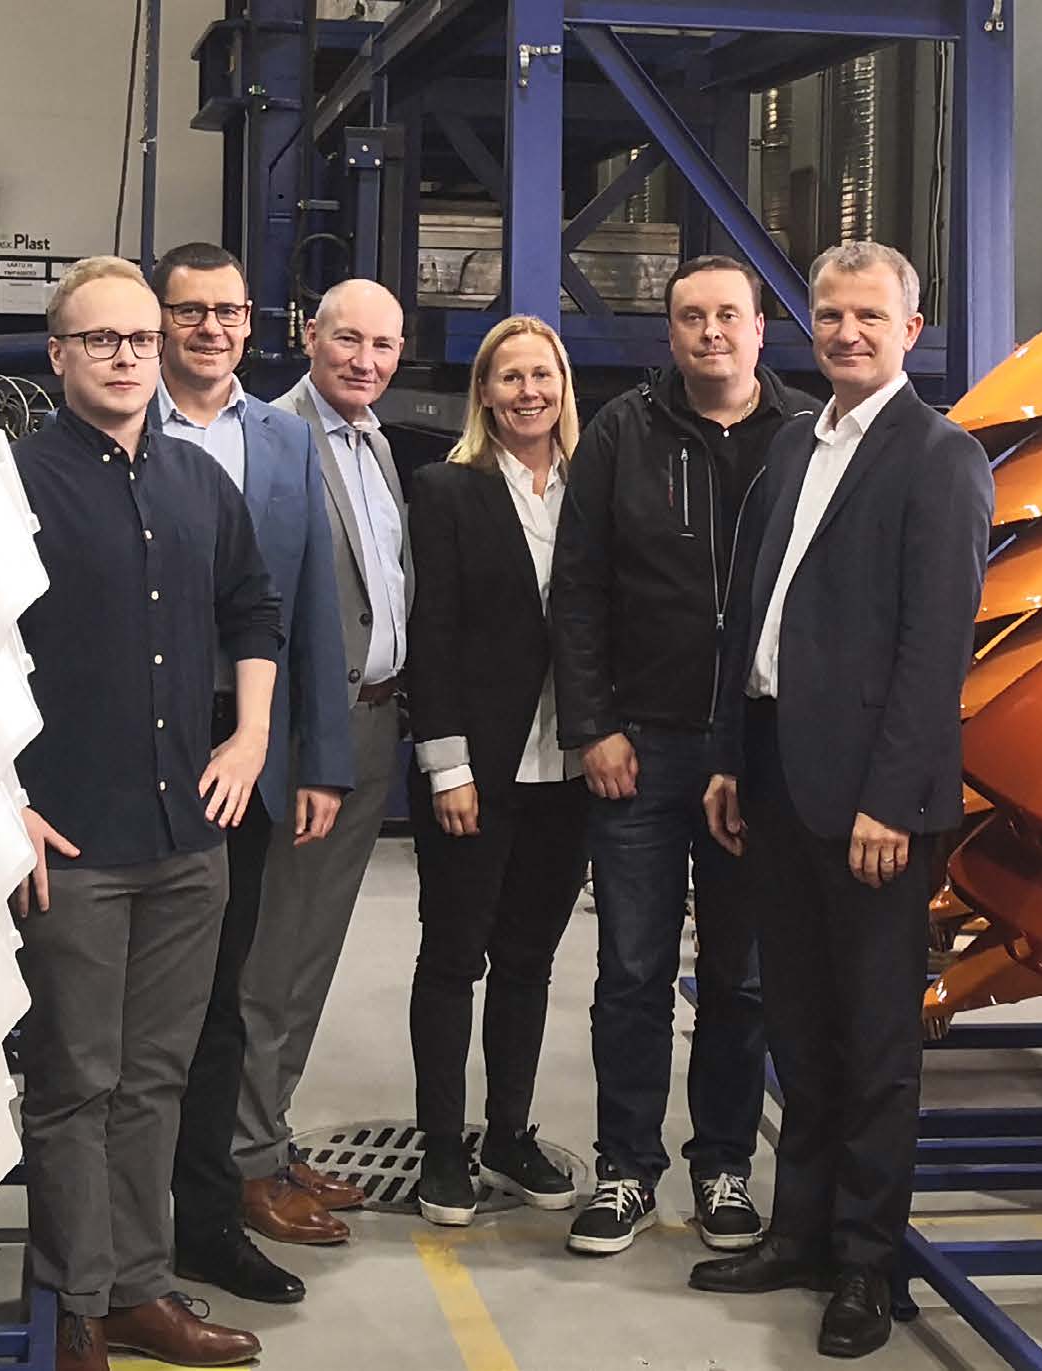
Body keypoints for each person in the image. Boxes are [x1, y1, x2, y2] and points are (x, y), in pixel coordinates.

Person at [690, 242, 992, 1360]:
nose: (846, 332)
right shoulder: (791, 445)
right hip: (775, 774)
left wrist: (892, 801)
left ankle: (866, 1261)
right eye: (828, 314)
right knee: (800, 1025)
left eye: (869, 315)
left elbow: (934, 648)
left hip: (871, 799)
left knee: (873, 1041)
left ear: (911, 330)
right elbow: (750, 617)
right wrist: (729, 755)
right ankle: (799, 1233)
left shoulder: (941, 457)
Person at [10, 255, 275, 1370]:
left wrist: (249, 738)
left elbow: (253, 609)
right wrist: (4, 799)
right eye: (100, 339)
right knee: (77, 1080)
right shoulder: (11, 483)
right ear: (59, 355)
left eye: (138, 339)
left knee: (156, 1077)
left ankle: (138, 1289)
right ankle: (74, 1305)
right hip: (70, 838)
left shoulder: (198, 482)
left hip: (185, 839)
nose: (124, 357)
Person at [552, 256, 811, 1257]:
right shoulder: (622, 434)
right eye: (691, 316)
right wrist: (594, 727)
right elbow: (578, 590)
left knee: (739, 978)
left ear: (758, 329)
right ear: (669, 334)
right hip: (642, 746)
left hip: (755, 748)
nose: (711, 332)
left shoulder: (804, 437)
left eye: (728, 315)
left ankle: (723, 1167)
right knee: (631, 970)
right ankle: (625, 1167)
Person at [144, 242, 360, 1303]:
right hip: (137, 742)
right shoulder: (124, 423)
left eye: (227, 312)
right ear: (160, 321)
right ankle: (116, 1234)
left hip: (249, 744)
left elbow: (310, 601)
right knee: (137, 1006)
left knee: (224, 996)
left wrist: (318, 756)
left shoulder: (282, 439)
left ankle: (207, 1217)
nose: (211, 330)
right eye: (191, 311)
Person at [403, 315, 590, 1226]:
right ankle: (443, 1146)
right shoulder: (448, 490)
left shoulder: (591, 492)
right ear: (484, 392)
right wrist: (447, 766)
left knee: (528, 960)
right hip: (477, 767)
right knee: (452, 957)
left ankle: (509, 1132)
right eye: (509, 377)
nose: (528, 392)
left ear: (563, 387)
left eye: (541, 375)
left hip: (568, 767)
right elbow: (431, 633)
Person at [235, 279, 413, 1223]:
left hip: (373, 726)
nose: (364, 360)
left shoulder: (374, 444)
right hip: (309, 738)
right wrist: (305, 753)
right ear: (310, 336)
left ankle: (270, 1131)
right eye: (348, 339)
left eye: (382, 345)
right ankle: (243, 1159)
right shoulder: (276, 438)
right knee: (274, 958)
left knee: (314, 956)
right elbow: (268, 609)